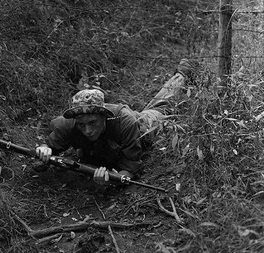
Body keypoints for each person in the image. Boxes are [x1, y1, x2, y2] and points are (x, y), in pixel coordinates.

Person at [36, 59, 194, 186]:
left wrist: (113, 179)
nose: (87, 130)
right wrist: (44, 151)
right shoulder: (69, 123)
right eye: (81, 125)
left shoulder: (125, 122)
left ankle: (183, 74)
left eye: (92, 123)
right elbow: (49, 146)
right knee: (156, 102)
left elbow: (129, 170)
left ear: (104, 116)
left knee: (165, 109)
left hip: (145, 124)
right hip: (129, 121)